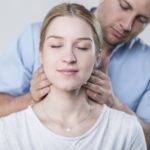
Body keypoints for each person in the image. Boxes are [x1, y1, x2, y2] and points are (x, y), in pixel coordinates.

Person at [0, 0, 150, 148]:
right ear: (41, 53)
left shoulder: (146, 64)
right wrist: (30, 99)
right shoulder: (34, 36)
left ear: (97, 57)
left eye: (142, 19)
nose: (127, 25)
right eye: (124, 6)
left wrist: (114, 104)